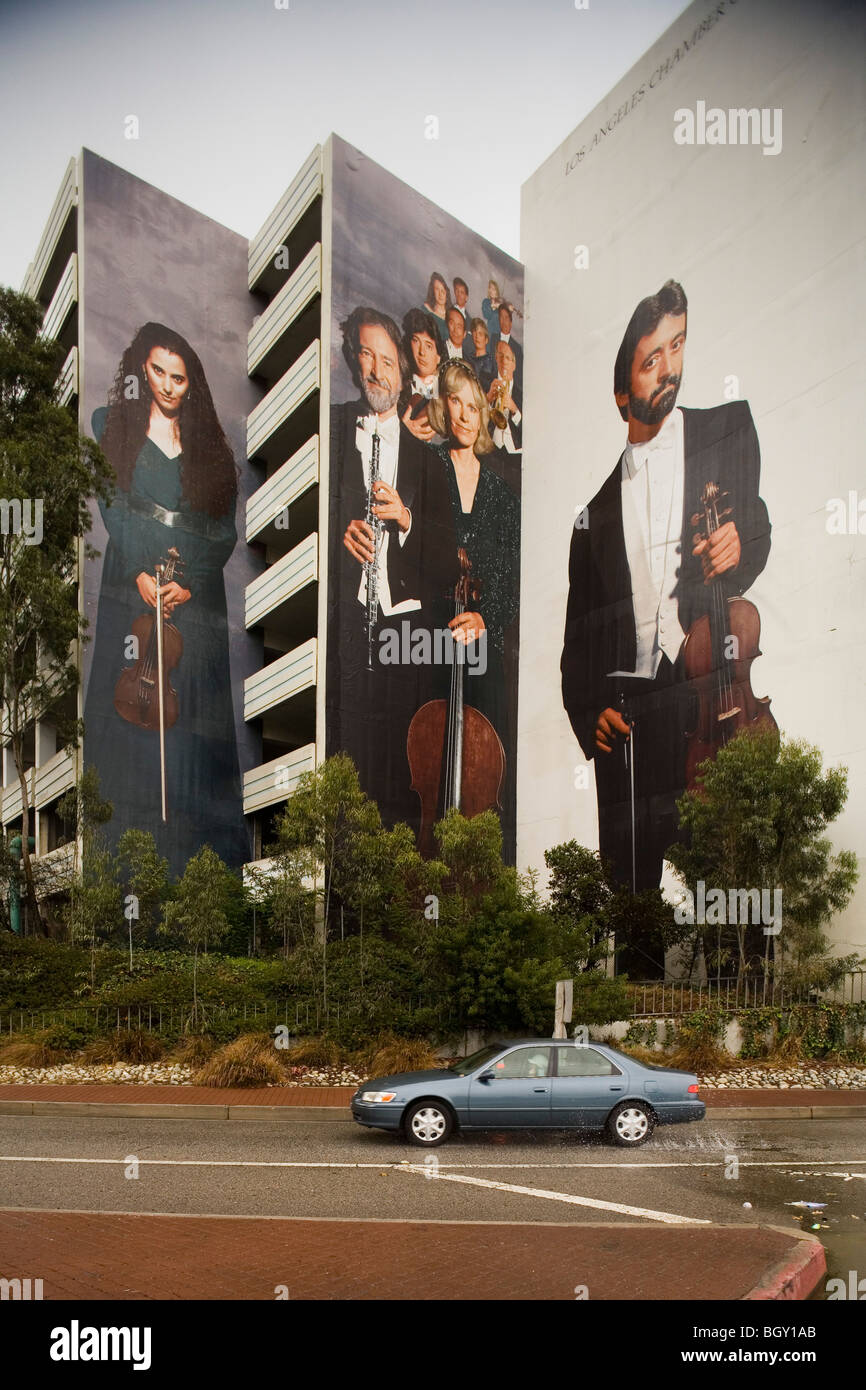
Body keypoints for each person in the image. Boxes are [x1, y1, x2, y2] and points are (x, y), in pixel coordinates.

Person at [560, 280, 771, 894]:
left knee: (731, 879)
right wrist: (586, 712)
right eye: (651, 360)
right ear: (622, 391)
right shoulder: (590, 516)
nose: (670, 368)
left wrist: (741, 543)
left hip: (712, 686)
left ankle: (745, 991)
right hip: (631, 718)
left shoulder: (727, 429)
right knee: (632, 895)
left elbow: (755, 523)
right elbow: (577, 643)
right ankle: (632, 991)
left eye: (676, 347)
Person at [83, 322, 249, 874]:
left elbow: (223, 530)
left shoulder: (209, 449)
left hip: (194, 599)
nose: (168, 386)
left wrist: (192, 580)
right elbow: (113, 505)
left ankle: (202, 879)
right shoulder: (111, 424)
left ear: (191, 383)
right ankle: (122, 876)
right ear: (140, 369)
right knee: (127, 711)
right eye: (157, 372)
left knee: (196, 722)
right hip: (131, 582)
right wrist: (137, 574)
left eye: (179, 378)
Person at [329, 307, 459, 830]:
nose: (378, 370)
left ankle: (401, 893)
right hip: (349, 628)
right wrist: (339, 535)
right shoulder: (334, 428)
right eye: (368, 355)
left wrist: (406, 519)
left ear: (404, 373)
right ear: (354, 362)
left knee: (403, 767)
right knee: (349, 766)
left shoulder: (431, 463)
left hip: (406, 633)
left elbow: (450, 562)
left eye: (388, 360)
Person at [427, 360, 520, 855]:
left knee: (485, 773)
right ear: (444, 406)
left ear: (484, 412)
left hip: (484, 652)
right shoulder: (427, 468)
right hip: (431, 642)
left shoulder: (503, 495)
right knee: (432, 759)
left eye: (472, 404)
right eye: (454, 401)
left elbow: (510, 583)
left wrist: (485, 617)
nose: (463, 414)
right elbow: (414, 556)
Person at [401, 307, 443, 444]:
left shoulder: (449, 397)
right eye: (416, 341)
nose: (422, 352)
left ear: (439, 357)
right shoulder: (396, 391)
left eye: (429, 346)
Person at [489, 303, 523, 386]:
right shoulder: (493, 339)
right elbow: (490, 367)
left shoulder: (517, 348)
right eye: (501, 317)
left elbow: (518, 378)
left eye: (506, 317)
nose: (503, 321)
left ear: (511, 323)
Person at [467, 316, 495, 385]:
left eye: (480, 334)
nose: (477, 337)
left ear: (486, 340)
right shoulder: (468, 358)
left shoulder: (490, 361)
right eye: (475, 333)